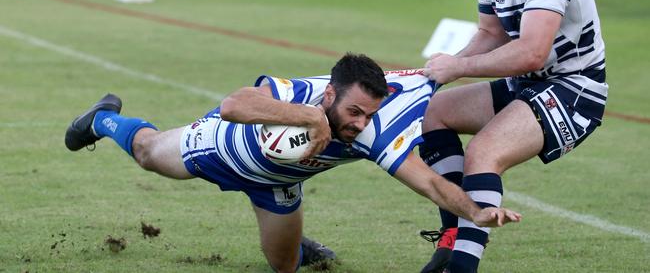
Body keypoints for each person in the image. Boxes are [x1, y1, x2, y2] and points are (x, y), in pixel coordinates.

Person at [64, 53, 521, 273]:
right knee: (148, 154)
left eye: (369, 115)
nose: (360, 123)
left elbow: (428, 184)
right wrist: (309, 119)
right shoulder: (301, 93)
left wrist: (476, 212)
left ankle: (300, 244)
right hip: (221, 150)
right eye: (352, 112)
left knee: (284, 266)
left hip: (279, 186)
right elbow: (234, 104)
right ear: (329, 95)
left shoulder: (371, 128)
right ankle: (104, 119)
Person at [417, 0, 607, 273]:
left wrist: (458, 68)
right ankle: (452, 236)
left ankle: (461, 268)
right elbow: (491, 34)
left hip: (575, 89)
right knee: (432, 112)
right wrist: (439, 74)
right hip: (528, 84)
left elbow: (532, 53)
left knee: (484, 152)